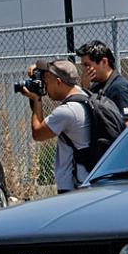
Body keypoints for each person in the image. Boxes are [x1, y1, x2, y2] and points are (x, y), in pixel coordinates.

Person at [20, 59, 90, 193]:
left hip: (72, 185)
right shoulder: (83, 94)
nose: (45, 87)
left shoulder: (67, 111)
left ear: (58, 82)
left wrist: (36, 100)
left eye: (46, 82)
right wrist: (36, 73)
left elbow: (38, 133)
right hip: (86, 180)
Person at [75, 40, 128, 123]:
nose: (84, 70)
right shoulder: (95, 86)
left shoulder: (120, 88)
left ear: (104, 62)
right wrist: (85, 89)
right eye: (83, 65)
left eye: (87, 65)